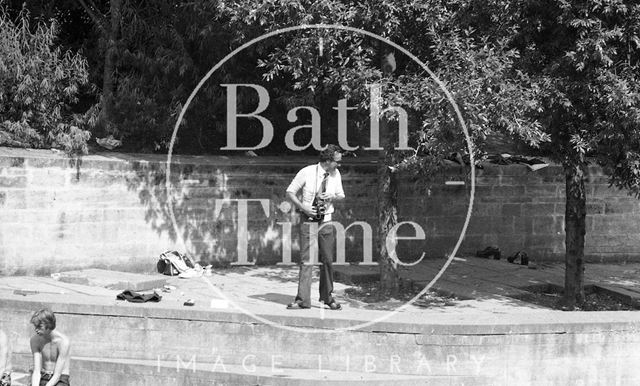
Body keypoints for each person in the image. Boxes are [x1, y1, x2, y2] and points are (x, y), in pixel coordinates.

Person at [286, 144, 345, 310]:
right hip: (308, 220)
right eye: (337, 162)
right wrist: (303, 207)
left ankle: (327, 298)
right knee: (307, 261)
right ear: (327, 161)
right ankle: (302, 300)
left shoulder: (335, 174)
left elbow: (341, 195)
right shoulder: (307, 172)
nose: (339, 165)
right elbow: (290, 192)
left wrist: (332, 195)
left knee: (327, 260)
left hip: (326, 221)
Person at [29, 309, 70, 386]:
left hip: (61, 378)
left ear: (49, 325)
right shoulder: (35, 340)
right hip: (43, 375)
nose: (36, 330)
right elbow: (37, 371)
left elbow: (57, 375)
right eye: (35, 326)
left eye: (39, 326)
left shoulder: (63, 342)